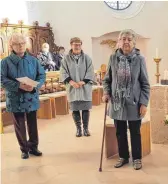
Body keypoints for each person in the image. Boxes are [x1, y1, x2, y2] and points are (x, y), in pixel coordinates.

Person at [102, 29, 150, 170]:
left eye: (129, 39)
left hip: (134, 102)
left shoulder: (139, 59)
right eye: (123, 39)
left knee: (135, 131)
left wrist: (144, 103)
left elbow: (145, 83)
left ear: (134, 42)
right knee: (120, 131)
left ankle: (137, 158)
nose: (126, 42)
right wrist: (106, 92)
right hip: (117, 102)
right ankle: (123, 156)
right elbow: (107, 80)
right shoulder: (113, 58)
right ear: (119, 42)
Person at [0, 33, 45, 159]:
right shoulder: (5, 62)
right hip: (16, 98)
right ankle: (24, 149)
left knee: (33, 124)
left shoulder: (33, 60)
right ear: (11, 46)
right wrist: (18, 85)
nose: (21, 46)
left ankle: (34, 147)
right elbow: (1, 79)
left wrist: (35, 85)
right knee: (19, 125)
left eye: (23, 43)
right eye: (17, 44)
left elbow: (41, 75)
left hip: (31, 96)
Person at [60, 37, 95, 137]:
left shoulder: (87, 58)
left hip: (84, 87)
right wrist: (71, 82)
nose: (77, 46)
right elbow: (63, 72)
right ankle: (78, 129)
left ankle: (86, 129)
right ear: (71, 45)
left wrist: (82, 82)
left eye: (79, 44)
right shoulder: (66, 59)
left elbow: (90, 71)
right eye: (75, 45)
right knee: (75, 109)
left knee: (85, 108)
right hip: (72, 87)